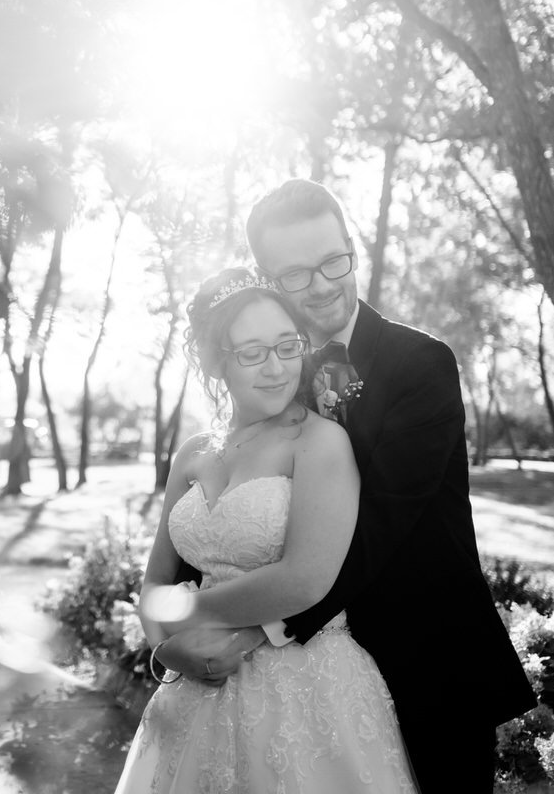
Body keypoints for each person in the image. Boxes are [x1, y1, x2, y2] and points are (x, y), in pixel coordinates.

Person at [157, 179, 535, 792]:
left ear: (351, 247)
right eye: (295, 274)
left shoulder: (421, 364)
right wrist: (166, 638)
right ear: (267, 279)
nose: (323, 284)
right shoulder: (272, 370)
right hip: (280, 687)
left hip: (425, 658)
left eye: (335, 260)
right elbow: (214, 517)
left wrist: (251, 630)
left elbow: (380, 525)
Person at [112, 266, 418, 794]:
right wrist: (167, 651)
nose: (276, 368)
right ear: (217, 361)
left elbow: (305, 580)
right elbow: (154, 583)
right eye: (253, 352)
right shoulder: (191, 454)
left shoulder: (319, 442)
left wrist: (181, 615)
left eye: (287, 346)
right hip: (194, 688)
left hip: (306, 686)